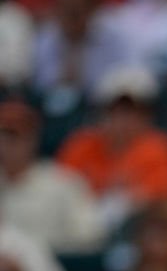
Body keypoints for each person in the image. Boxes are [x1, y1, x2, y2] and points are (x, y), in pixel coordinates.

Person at [57, 66, 167, 232]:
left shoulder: (161, 149)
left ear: (147, 116)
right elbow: (62, 194)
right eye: (115, 111)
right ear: (101, 114)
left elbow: (157, 200)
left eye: (132, 112)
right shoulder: (80, 145)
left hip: (136, 232)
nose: (123, 120)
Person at [0, 98, 104, 254]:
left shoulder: (63, 182)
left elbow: (90, 235)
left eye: (13, 138)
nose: (4, 145)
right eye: (1, 137)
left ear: (32, 140)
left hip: (52, 268)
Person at [32, 0, 129, 97]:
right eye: (67, 8)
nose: (72, 16)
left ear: (93, 8)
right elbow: (38, 85)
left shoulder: (114, 38)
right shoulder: (45, 38)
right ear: (57, 6)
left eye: (78, 9)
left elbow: (120, 84)